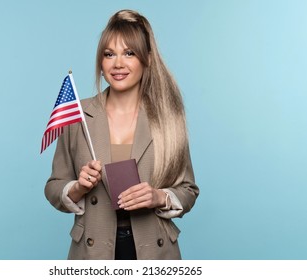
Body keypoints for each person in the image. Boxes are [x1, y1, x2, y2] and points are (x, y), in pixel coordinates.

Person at [45, 9, 199, 260]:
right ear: (101, 62)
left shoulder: (168, 117)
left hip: (155, 252)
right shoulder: (78, 115)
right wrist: (78, 187)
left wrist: (159, 196)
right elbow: (53, 187)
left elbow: (189, 189)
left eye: (129, 53)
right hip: (92, 251)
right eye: (109, 54)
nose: (118, 64)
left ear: (147, 59)